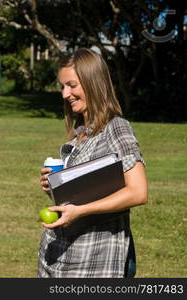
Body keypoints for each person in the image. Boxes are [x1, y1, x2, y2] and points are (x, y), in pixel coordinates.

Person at [37, 48, 148, 278]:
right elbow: (81, 194)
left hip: (94, 262)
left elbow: (138, 192)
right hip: (60, 258)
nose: (65, 94)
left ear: (92, 82)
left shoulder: (116, 128)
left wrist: (82, 211)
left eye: (72, 85)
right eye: (62, 86)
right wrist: (55, 187)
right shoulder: (79, 135)